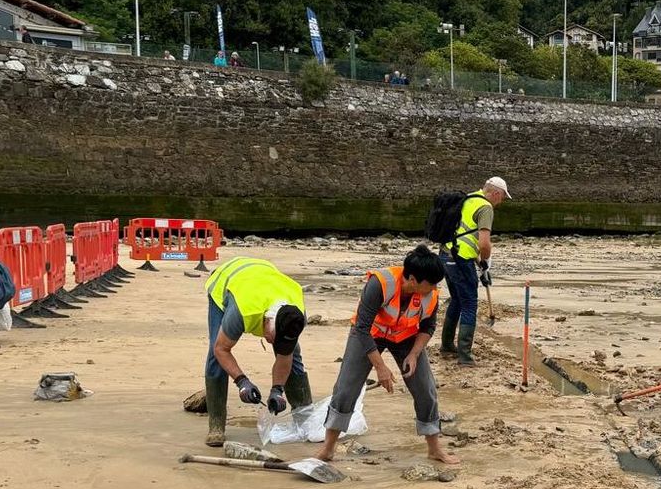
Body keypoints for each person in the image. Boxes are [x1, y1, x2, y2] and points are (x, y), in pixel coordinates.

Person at [316, 245, 458, 464]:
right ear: (412, 279)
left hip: (406, 337)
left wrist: (413, 355)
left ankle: (434, 449)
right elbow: (362, 328)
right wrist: (380, 367)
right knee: (346, 388)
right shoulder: (380, 284)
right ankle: (328, 449)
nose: (434, 288)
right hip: (369, 334)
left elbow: (428, 328)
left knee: (425, 389)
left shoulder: (431, 294)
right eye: (430, 284)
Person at [203, 257, 312, 447]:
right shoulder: (244, 311)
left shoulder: (296, 316)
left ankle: (305, 420)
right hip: (227, 280)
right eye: (272, 337)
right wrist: (242, 381)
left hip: (264, 276)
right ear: (266, 321)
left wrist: (277, 390)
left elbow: (285, 356)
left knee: (294, 355)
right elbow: (222, 349)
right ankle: (216, 425)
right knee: (215, 352)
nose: (272, 343)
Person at [439, 176, 512, 365]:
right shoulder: (486, 207)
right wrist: (486, 261)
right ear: (496, 193)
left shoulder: (469, 199)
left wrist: (479, 263)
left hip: (445, 254)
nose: (501, 202)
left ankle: (447, 345)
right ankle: (465, 356)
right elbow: (484, 243)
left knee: (456, 299)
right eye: (502, 197)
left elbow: (465, 234)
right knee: (470, 303)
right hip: (461, 259)